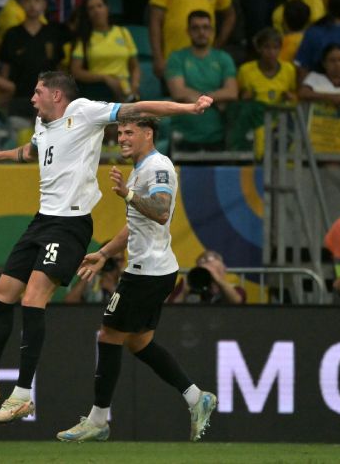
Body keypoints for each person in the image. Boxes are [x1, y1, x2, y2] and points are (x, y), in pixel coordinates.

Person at [0, 70, 213, 423]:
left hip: (70, 225)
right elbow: (33, 151)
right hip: (42, 221)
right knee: (1, 293)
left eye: (38, 92)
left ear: (57, 96)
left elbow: (139, 107)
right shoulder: (44, 125)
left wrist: (188, 108)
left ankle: (24, 395)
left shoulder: (85, 111)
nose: (32, 98)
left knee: (33, 298)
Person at [56, 109, 216, 443]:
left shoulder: (158, 167)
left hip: (147, 272)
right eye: (120, 133)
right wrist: (104, 253)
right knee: (139, 342)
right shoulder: (141, 169)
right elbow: (136, 224)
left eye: (129, 132)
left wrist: (128, 195)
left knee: (108, 336)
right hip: (153, 269)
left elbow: (159, 211)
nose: (122, 138)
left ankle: (98, 420)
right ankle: (195, 397)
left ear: (148, 134)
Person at [149, 0, 235, 80]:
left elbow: (230, 15)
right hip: (172, 59)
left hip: (205, 60)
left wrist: (219, 43)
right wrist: (158, 58)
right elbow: (154, 22)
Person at [164, 10, 238, 152]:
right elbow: (178, 92)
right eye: (195, 28)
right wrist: (216, 98)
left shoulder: (223, 58)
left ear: (212, 30)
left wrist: (196, 96)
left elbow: (232, 92)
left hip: (217, 136)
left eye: (205, 27)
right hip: (182, 136)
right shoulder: (177, 58)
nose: (201, 32)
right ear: (188, 31)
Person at [0, 0, 63, 121]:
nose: (32, 4)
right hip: (19, 98)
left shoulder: (53, 33)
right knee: (18, 139)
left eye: (37, 0)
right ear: (21, 4)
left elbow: (59, 68)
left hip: (48, 101)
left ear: (44, 4)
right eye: (28, 0)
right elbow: (5, 68)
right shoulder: (12, 34)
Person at [237, 27, 297, 157]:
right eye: (267, 48)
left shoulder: (289, 70)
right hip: (254, 123)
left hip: (280, 123)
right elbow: (240, 98)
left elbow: (294, 95)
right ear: (259, 49)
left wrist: (290, 96)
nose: (271, 52)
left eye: (275, 48)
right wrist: (245, 97)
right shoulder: (246, 71)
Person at [70, 0, 140, 103]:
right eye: (91, 8)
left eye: (99, 6)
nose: (96, 11)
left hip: (126, 89)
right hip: (98, 89)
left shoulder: (123, 32)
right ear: (87, 14)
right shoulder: (84, 39)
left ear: (107, 8)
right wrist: (105, 78)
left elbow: (135, 66)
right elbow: (76, 71)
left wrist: (135, 85)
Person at [298, 43, 340, 108]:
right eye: (332, 60)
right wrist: (331, 97)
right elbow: (303, 93)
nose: (337, 64)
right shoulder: (315, 76)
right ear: (324, 63)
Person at [168, 250, 246, 304]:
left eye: (215, 269)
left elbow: (237, 302)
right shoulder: (188, 286)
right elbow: (171, 308)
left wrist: (218, 280)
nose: (210, 273)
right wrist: (184, 291)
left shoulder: (236, 289)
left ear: (224, 269)